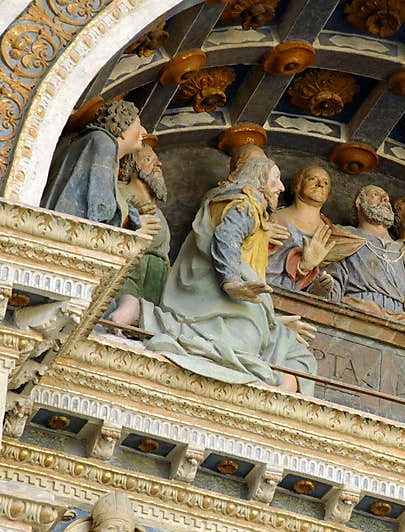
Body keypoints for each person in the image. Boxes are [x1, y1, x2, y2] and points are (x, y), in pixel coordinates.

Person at [138, 151, 317, 394]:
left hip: (231, 300)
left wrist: (271, 320)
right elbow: (227, 238)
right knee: (249, 346)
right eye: (275, 179)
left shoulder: (240, 205)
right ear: (259, 179)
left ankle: (277, 396)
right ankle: (142, 313)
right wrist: (231, 282)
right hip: (220, 298)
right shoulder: (244, 204)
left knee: (298, 355)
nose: (281, 187)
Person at [42, 100, 158, 236]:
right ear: (123, 130)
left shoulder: (95, 144)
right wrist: (135, 222)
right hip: (68, 233)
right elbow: (101, 210)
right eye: (138, 127)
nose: (143, 133)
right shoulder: (103, 143)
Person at [320, 185, 405, 322]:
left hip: (401, 322)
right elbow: (328, 282)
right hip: (356, 315)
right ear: (359, 201)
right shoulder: (343, 236)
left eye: (387, 198)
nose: (385, 200)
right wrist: (324, 288)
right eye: (376, 194)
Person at [107, 141, 172, 327]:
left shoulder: (156, 210)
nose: (158, 165)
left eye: (157, 161)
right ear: (132, 166)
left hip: (155, 286)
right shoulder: (120, 194)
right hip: (128, 277)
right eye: (149, 159)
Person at [266, 165, 336, 293]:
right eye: (312, 179)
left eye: (326, 183)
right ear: (297, 184)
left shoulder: (334, 235)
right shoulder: (274, 220)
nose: (320, 184)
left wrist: (317, 285)